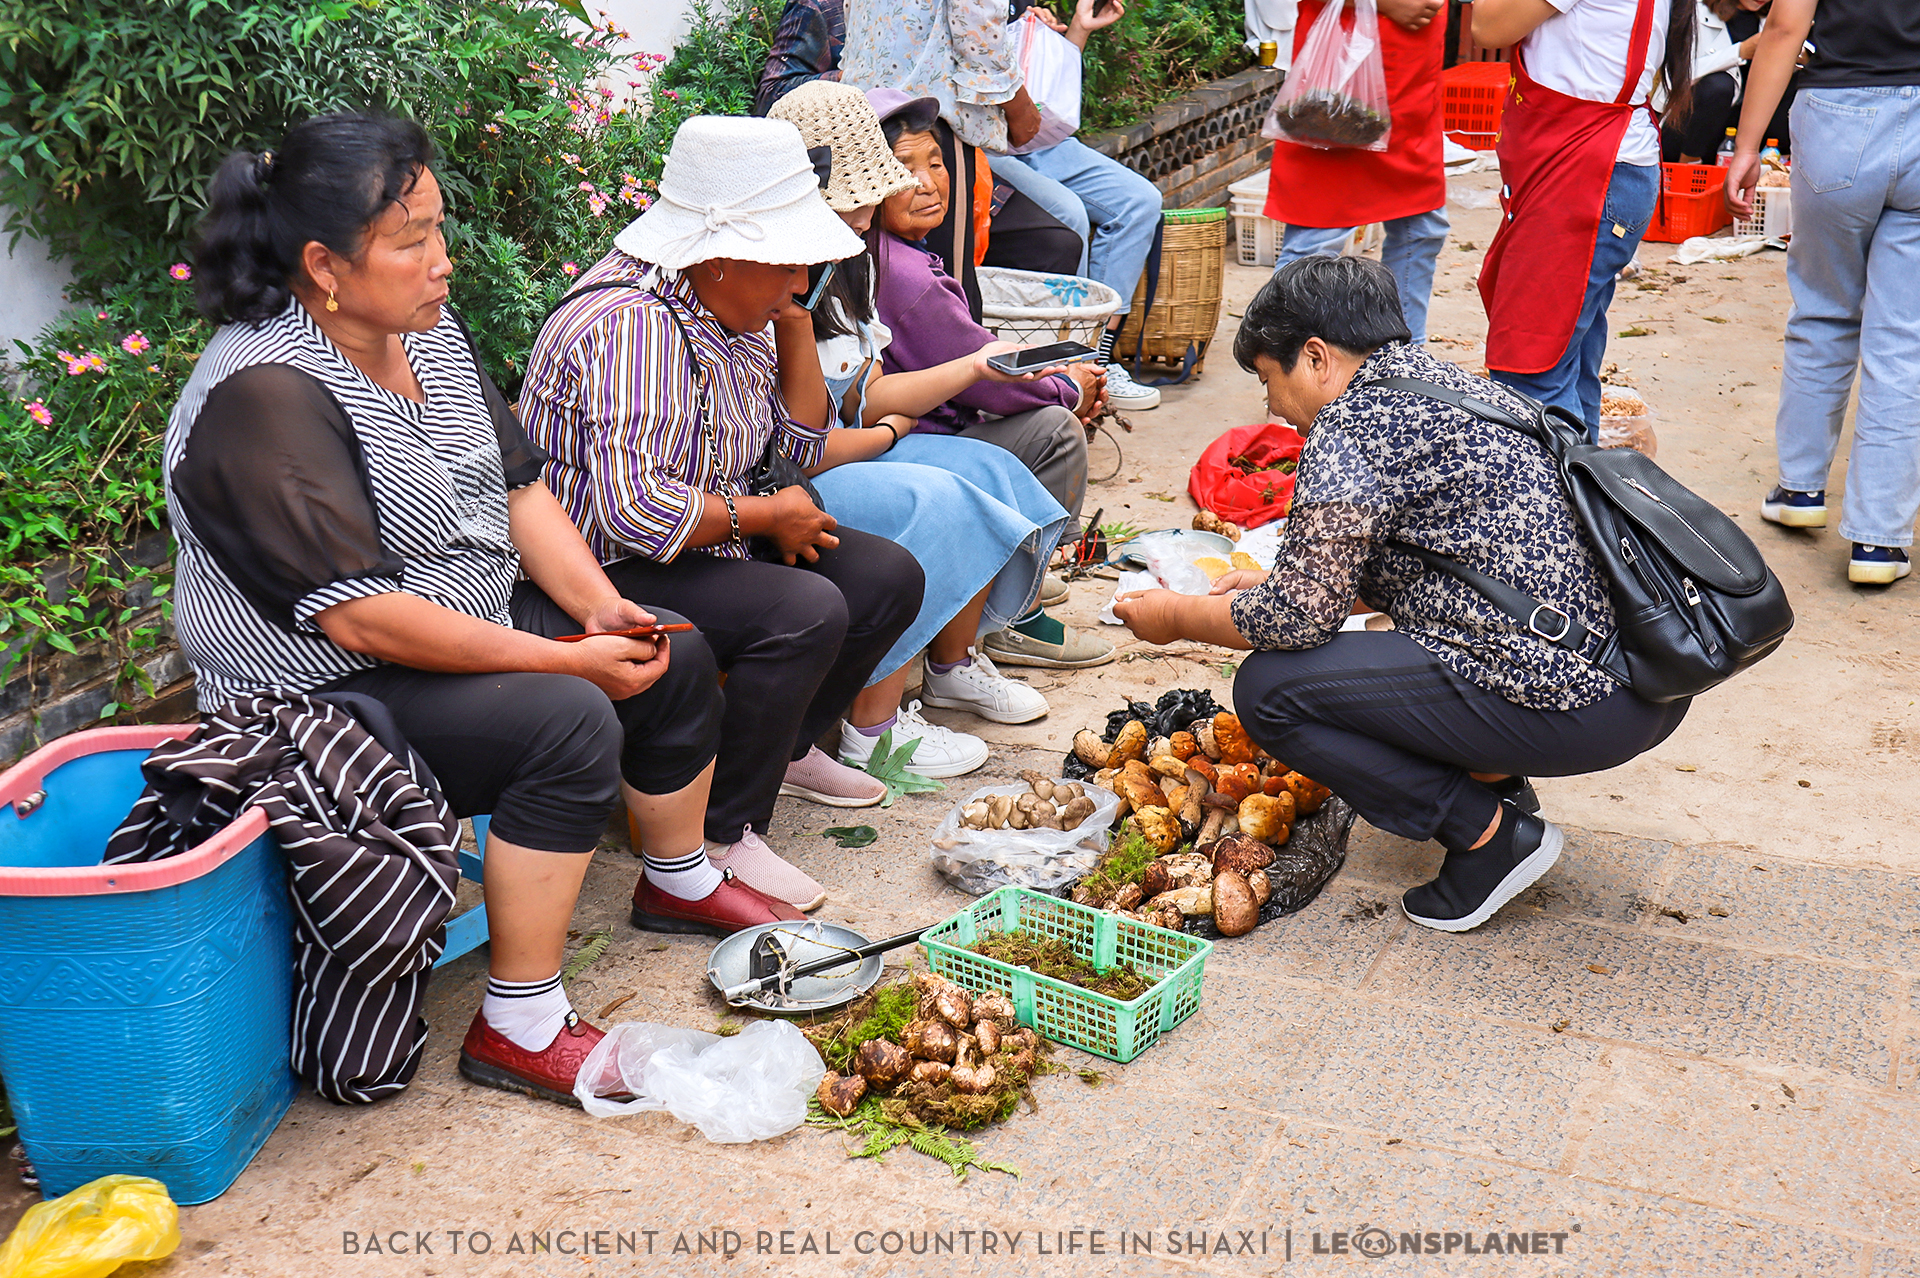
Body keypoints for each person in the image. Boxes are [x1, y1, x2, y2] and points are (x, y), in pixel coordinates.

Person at [171, 113, 802, 1108]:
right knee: (565, 721)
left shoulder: (425, 335)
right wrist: (559, 664)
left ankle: (676, 876)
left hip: (452, 627)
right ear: (323, 266)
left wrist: (603, 610)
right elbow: (364, 620)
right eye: (411, 240)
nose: (442, 260)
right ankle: (521, 1022)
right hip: (322, 698)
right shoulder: (265, 394)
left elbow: (519, 492)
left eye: (437, 228)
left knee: (667, 647)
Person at [1112, 257, 1690, 932]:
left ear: (1317, 357)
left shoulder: (1352, 426)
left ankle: (1489, 837)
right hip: (1644, 678)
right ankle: (1494, 784)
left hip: (1580, 700)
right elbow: (1440, 561)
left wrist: (1176, 617)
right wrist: (1276, 582)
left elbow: (1298, 619)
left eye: (1270, 379)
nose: (1271, 405)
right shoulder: (1456, 388)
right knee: (1394, 644)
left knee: (1272, 688)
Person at [518, 115, 928, 914]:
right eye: (787, 263)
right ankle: (715, 837)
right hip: (605, 565)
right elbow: (638, 514)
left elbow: (799, 440)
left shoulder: (735, 309)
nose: (802, 277)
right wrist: (766, 517)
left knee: (885, 576)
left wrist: (795, 321)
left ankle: (786, 748)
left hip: (707, 539)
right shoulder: (632, 323)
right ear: (722, 256)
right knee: (805, 610)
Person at [767, 81, 1077, 770]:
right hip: (796, 474)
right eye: (856, 197)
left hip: (839, 450)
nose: (866, 211)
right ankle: (874, 730)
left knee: (993, 471)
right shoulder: (779, 280)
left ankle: (952, 662)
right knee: (939, 500)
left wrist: (973, 369)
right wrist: (888, 435)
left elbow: (872, 389)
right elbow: (804, 442)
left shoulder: (845, 267)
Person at [866, 88, 1117, 671]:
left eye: (935, 162)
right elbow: (985, 378)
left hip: (913, 430)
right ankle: (1007, 620)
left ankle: (1009, 580)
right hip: (907, 441)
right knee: (1054, 429)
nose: (930, 182)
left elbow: (973, 352)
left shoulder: (890, 249)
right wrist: (1070, 388)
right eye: (906, 170)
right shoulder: (906, 273)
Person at [1727, 0, 1920, 584]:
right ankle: (1878, 541)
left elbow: (1785, 26)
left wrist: (1746, 149)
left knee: (1823, 311)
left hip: (1841, 113)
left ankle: (1800, 489)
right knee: (1903, 342)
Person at [1473, 0, 1694, 433]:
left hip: (1587, 172)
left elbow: (1487, 24)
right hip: (1602, 169)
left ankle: (1552, 499)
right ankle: (1583, 493)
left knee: (1533, 375)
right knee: (1568, 363)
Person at [988, 0, 1168, 411]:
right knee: (1066, 215)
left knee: (1140, 200)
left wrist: (1077, 32)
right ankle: (1072, 363)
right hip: (987, 140)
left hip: (1040, 139)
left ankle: (1099, 358)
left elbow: (1042, 84)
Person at [1262, 0, 1451, 347]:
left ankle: (1404, 368)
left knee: (1421, 230)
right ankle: (1288, 375)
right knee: (1315, 244)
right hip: (1343, 80)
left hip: (1413, 79)